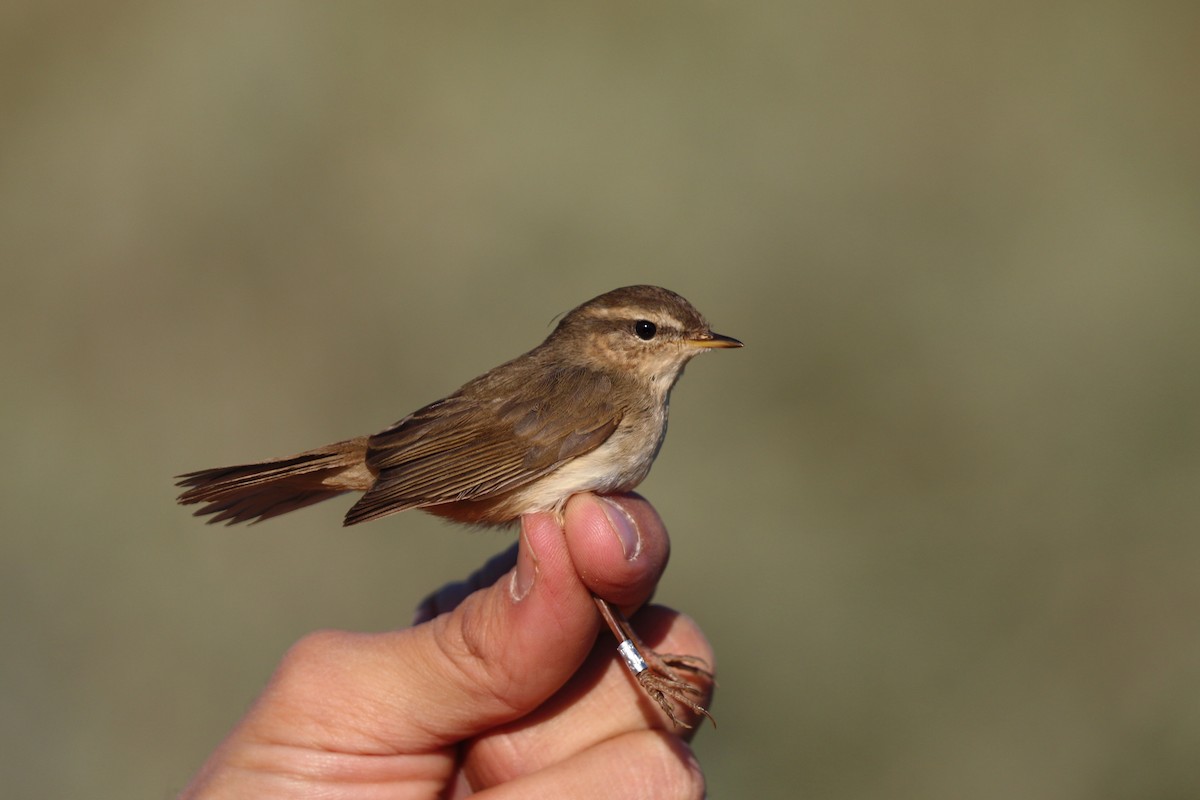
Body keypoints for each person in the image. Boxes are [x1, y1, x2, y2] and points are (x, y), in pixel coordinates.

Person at [180, 492, 714, 798]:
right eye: (646, 333)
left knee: (581, 574)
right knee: (577, 570)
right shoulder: (606, 393)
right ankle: (637, 662)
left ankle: (636, 661)